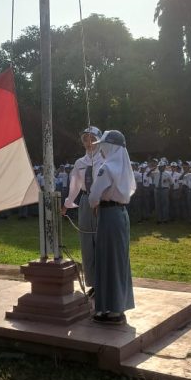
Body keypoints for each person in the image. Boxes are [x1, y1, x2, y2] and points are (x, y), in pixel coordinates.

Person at [88, 130, 136, 325]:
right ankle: (117, 305)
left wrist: (94, 204)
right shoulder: (123, 166)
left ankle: (112, 309)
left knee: (108, 259)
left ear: (110, 147)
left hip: (108, 215)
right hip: (121, 214)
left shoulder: (107, 167)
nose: (101, 148)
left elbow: (93, 196)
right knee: (119, 260)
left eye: (103, 145)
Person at [61, 126, 104, 294]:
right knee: (86, 242)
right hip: (86, 201)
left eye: (92, 139)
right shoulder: (80, 163)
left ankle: (105, 283)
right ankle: (93, 283)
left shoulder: (106, 159)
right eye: (85, 139)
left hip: (103, 202)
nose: (89, 142)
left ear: (99, 140)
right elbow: (75, 185)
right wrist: (67, 204)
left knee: (102, 241)